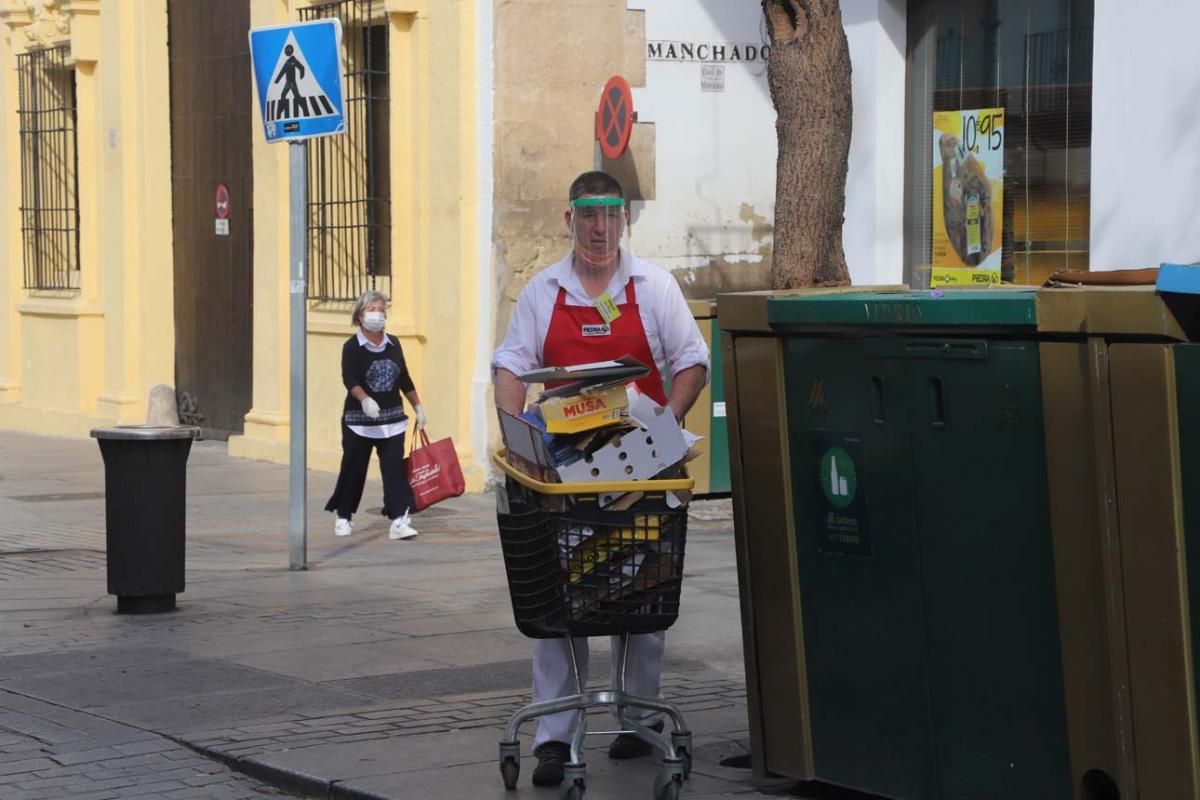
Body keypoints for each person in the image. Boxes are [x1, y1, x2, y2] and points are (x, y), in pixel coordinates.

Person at [492, 171, 709, 786]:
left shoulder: (655, 287)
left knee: (641, 592)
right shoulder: (543, 292)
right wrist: (517, 435)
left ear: (624, 220)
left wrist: (664, 427)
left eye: (611, 214)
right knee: (560, 602)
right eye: (588, 215)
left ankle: (641, 720)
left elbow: (693, 361)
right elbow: (510, 363)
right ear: (570, 220)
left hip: (640, 470)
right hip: (562, 478)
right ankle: (556, 735)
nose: (599, 227)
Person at [325, 291, 427, 541]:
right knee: (354, 469)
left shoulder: (393, 343)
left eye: (381, 309)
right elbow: (349, 378)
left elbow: (404, 377)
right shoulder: (352, 347)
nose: (377, 314)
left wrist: (418, 406)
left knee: (394, 470)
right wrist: (365, 399)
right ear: (360, 316)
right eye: (371, 309)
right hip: (359, 422)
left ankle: (399, 520)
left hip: (392, 420)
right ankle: (344, 515)